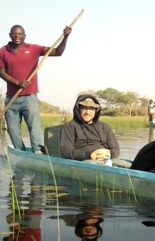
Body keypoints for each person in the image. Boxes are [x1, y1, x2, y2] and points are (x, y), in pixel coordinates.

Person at [0, 24, 72, 153]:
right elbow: (1, 72)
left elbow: (58, 52)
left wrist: (65, 37)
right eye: (14, 33)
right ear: (10, 35)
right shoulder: (3, 51)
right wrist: (17, 82)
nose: (17, 36)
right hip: (11, 99)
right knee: (12, 130)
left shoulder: (34, 49)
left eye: (20, 34)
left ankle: (38, 154)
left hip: (29, 98)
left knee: (34, 129)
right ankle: (21, 154)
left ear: (24, 36)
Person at [60, 94, 120, 163]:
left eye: (91, 108)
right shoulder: (70, 127)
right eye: (84, 108)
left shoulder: (105, 127)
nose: (87, 112)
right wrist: (89, 155)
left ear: (96, 111)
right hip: (86, 162)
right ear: (78, 109)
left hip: (107, 159)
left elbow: (116, 149)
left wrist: (109, 153)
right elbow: (66, 152)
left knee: (128, 165)